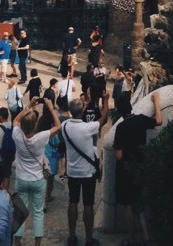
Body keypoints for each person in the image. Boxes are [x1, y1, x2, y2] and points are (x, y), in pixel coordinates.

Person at [114, 92, 163, 246]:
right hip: (140, 167)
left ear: (119, 111)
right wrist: (156, 101)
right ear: (131, 107)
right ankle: (147, 238)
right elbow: (159, 121)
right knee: (140, 203)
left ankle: (132, 239)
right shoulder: (141, 119)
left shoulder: (120, 128)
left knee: (128, 205)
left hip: (126, 171)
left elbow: (119, 155)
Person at [62, 93, 110, 246]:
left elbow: (78, 113)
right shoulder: (88, 128)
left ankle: (72, 236)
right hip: (87, 171)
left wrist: (86, 104)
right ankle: (89, 239)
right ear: (81, 111)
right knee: (88, 204)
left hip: (72, 171)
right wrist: (107, 100)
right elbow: (104, 119)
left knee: (73, 202)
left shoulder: (65, 126)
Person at [12, 98, 60, 246]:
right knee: (38, 213)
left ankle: (18, 242)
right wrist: (51, 108)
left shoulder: (17, 134)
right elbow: (58, 126)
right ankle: (37, 243)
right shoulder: (40, 137)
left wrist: (29, 106)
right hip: (38, 179)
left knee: (20, 212)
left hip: (21, 178)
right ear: (35, 125)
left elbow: (15, 120)